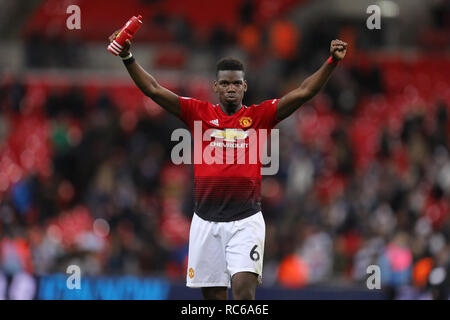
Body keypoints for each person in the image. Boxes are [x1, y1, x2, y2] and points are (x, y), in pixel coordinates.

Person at [108, 28, 347, 300]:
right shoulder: (198, 112)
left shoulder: (260, 116)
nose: (231, 88)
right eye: (225, 84)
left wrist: (331, 63)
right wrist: (127, 55)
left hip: (246, 221)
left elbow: (304, 92)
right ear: (216, 86)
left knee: (244, 296)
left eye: (236, 83)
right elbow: (153, 89)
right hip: (205, 223)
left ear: (244, 86)